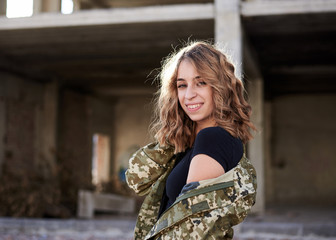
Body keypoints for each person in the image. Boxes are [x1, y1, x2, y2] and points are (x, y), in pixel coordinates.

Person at [126, 41, 257, 240]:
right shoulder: (192, 143)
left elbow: (188, 228)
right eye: (181, 85)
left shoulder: (214, 139)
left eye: (201, 82)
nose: (189, 95)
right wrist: (175, 135)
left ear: (220, 86)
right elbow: (137, 179)